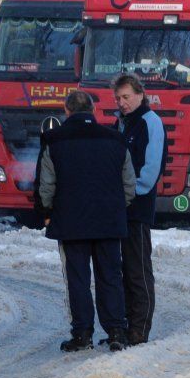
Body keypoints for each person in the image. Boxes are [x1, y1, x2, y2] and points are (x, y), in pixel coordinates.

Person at [35, 90, 137, 353]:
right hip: (109, 221)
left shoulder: (53, 140)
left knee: (77, 278)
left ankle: (82, 334)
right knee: (111, 276)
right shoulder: (116, 139)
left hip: (70, 223)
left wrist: (48, 211)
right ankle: (116, 331)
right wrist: (115, 208)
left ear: (67, 111)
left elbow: (47, 185)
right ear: (92, 110)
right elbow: (129, 185)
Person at [113, 73, 167, 346]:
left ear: (140, 95)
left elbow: (150, 169)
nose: (122, 103)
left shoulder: (151, 123)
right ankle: (123, 325)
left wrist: (130, 193)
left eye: (126, 97)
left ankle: (139, 328)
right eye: (118, 98)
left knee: (138, 269)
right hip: (118, 208)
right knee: (120, 270)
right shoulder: (121, 123)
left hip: (137, 207)